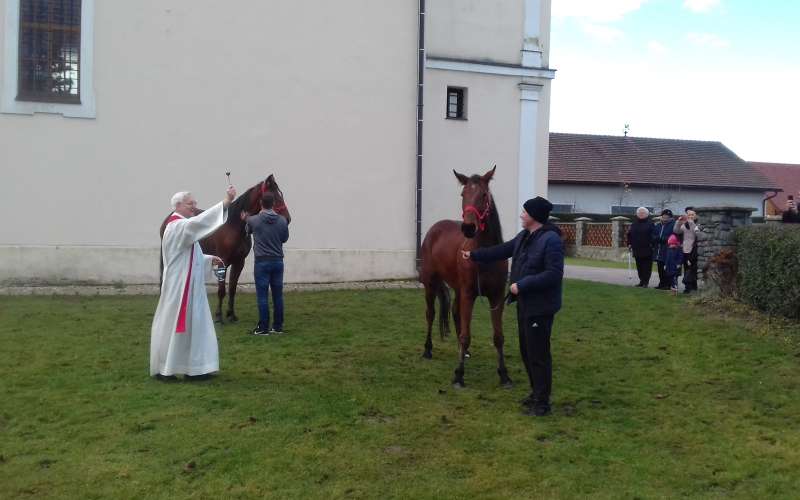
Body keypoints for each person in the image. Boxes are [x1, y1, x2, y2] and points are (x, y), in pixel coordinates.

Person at [461, 197, 564, 417]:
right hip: (524, 304)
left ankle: (542, 403)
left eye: (524, 212)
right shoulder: (525, 237)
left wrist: (522, 285)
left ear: (534, 216)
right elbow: (501, 250)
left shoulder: (551, 240)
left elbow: (553, 275)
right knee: (526, 351)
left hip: (541, 306)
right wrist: (474, 255)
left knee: (538, 355)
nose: (521, 215)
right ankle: (536, 393)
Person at [150, 186, 236, 381]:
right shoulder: (177, 226)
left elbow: (188, 255)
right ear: (178, 205)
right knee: (178, 326)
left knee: (194, 327)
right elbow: (200, 223)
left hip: (187, 286)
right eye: (191, 204)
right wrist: (226, 202)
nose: (194, 207)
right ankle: (169, 369)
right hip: (180, 288)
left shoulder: (180, 228)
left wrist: (208, 259)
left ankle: (194, 368)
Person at [243, 192, 290, 336]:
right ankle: (277, 327)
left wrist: (245, 219)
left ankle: (263, 328)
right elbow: (284, 238)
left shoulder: (253, 220)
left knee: (262, 296)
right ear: (274, 204)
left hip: (262, 262)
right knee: (278, 296)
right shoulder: (282, 220)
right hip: (277, 261)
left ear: (261, 204)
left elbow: (247, 232)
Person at [627, 207, 655, 288]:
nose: (641, 214)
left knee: (646, 267)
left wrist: (652, 245)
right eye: (639, 213)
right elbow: (629, 235)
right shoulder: (634, 224)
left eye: (643, 213)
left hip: (647, 249)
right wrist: (629, 244)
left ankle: (645, 282)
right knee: (639, 267)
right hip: (637, 249)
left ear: (647, 214)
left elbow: (653, 236)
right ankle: (641, 281)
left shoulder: (650, 224)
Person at [673, 207, 699, 293]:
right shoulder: (685, 224)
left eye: (692, 215)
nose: (690, 216)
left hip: (694, 249)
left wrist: (691, 224)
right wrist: (678, 222)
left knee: (692, 269)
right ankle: (688, 287)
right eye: (688, 215)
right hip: (685, 249)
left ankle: (692, 286)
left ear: (696, 216)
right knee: (686, 268)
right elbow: (676, 231)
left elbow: (697, 233)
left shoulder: (697, 224)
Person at [652, 209, 676, 290]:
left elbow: (673, 236)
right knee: (660, 268)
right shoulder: (658, 225)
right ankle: (661, 283)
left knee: (667, 268)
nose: (665, 218)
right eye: (664, 216)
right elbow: (654, 234)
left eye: (667, 217)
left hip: (667, 249)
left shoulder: (673, 225)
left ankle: (667, 284)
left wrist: (663, 239)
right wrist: (656, 238)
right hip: (658, 250)